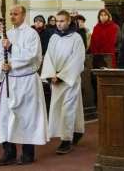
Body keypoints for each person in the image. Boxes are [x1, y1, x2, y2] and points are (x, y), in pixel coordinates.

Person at [0, 5, 48, 166]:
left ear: (23, 15)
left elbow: (31, 56)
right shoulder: (7, 34)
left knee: (26, 117)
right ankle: (9, 152)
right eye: (10, 14)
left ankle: (27, 153)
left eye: (15, 14)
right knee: (7, 117)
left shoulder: (32, 34)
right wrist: (2, 66)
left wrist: (11, 52)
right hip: (10, 81)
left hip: (27, 82)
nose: (12, 16)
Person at [41, 10, 85, 155]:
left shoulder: (76, 38)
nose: (59, 24)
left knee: (68, 108)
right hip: (55, 78)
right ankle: (77, 130)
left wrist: (61, 76)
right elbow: (48, 56)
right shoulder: (54, 37)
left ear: (68, 21)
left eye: (62, 21)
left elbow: (78, 59)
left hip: (69, 78)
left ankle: (66, 140)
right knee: (63, 108)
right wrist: (50, 74)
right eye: (57, 21)